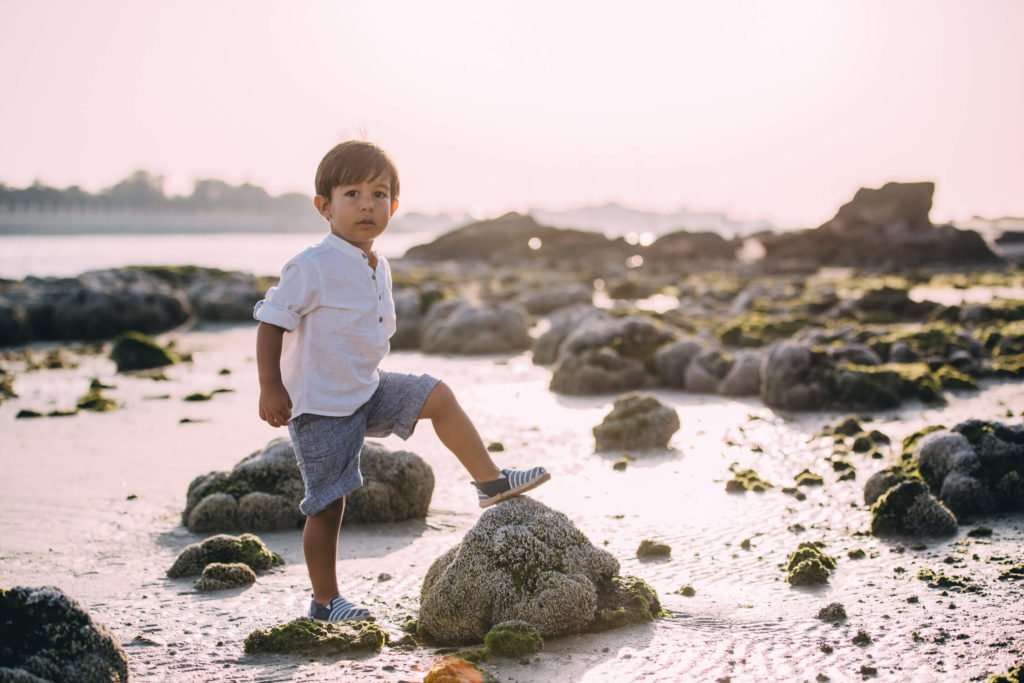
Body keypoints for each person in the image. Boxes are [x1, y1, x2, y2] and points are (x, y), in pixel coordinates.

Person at [253, 141, 550, 622]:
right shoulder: (311, 265)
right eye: (352, 193)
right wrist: (271, 386)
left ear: (393, 206)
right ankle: (325, 602)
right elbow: (272, 321)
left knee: (438, 396)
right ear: (324, 206)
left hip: (368, 389)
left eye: (378, 193)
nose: (366, 204)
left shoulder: (378, 265)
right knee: (328, 505)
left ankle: (490, 481)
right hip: (322, 406)